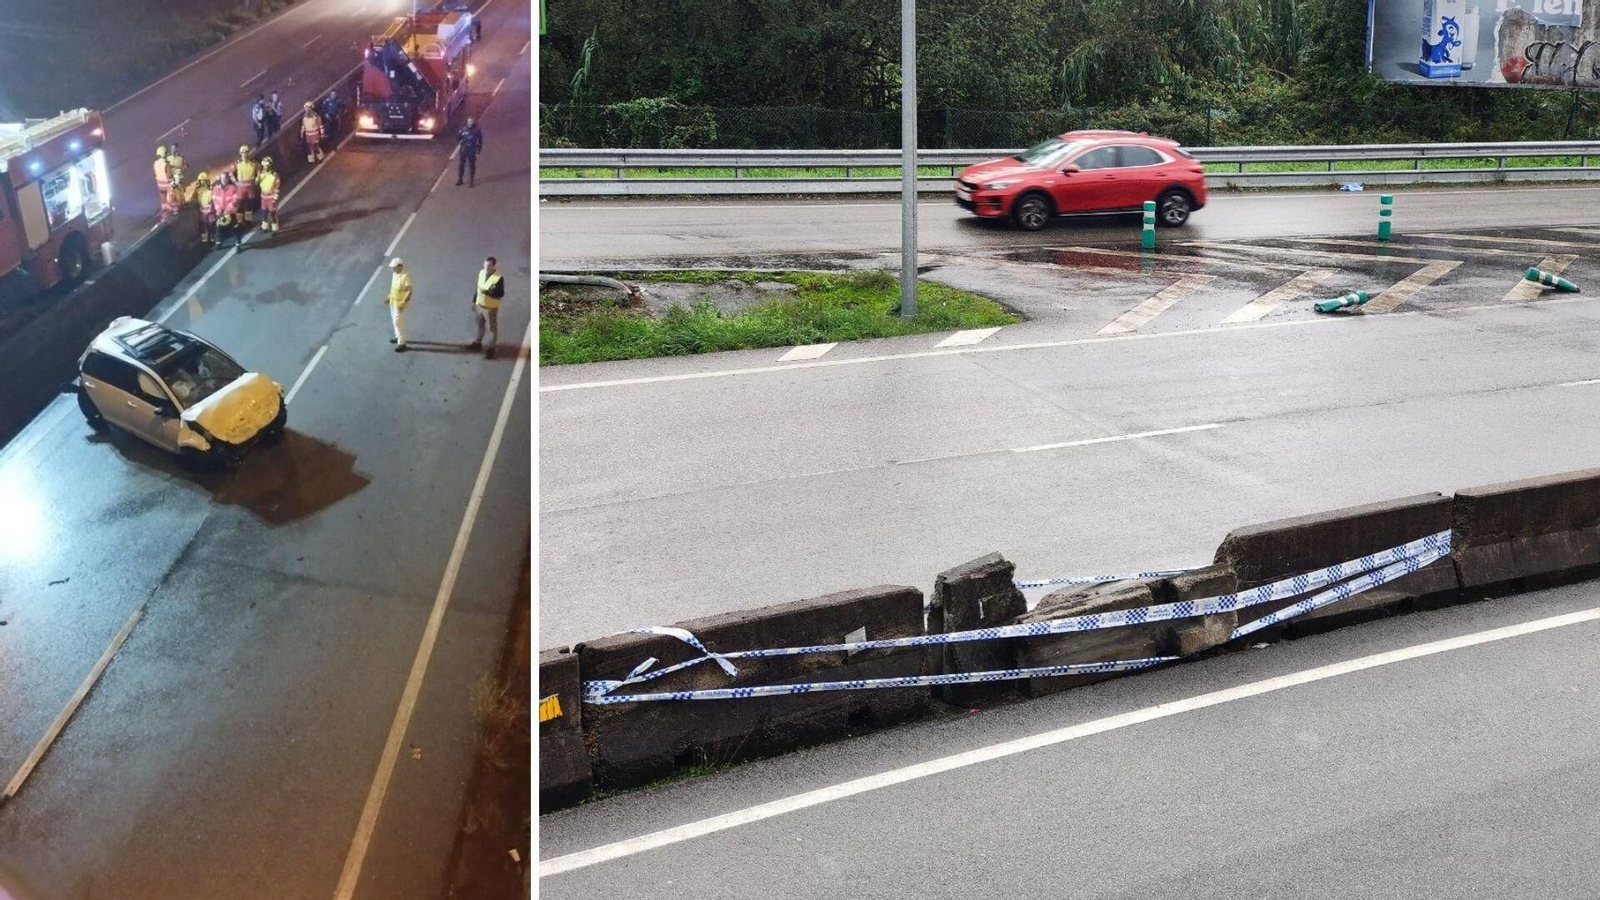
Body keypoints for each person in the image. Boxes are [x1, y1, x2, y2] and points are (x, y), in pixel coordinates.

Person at [468, 256, 504, 359]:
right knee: (480, 325)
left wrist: (489, 292)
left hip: (490, 308)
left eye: (488, 266)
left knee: (492, 329)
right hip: (479, 305)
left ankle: (491, 349)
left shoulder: (498, 278)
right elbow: (478, 288)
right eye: (485, 265)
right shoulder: (481, 273)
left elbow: (500, 293)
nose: (486, 267)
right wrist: (474, 302)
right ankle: (477, 343)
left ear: (494, 266)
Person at [386, 258, 413, 352]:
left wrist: (403, 302)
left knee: (398, 322)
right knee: (394, 320)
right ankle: (398, 337)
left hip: (399, 304)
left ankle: (402, 343)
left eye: (394, 267)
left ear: (400, 266)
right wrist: (389, 296)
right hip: (393, 301)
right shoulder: (395, 274)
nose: (392, 269)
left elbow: (409, 291)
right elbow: (393, 287)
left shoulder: (405, 277)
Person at [214, 172, 241, 248]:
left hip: (231, 212)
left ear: (228, 179)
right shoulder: (216, 189)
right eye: (222, 178)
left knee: (235, 228)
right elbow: (215, 200)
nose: (224, 180)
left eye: (225, 178)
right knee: (219, 228)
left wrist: (228, 209)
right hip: (221, 212)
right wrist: (218, 210)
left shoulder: (233, 188)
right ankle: (218, 243)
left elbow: (235, 200)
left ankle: (238, 244)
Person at [234, 146, 259, 228]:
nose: (244, 154)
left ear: (248, 152)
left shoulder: (254, 163)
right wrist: (235, 182)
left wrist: (257, 179)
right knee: (240, 206)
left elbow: (259, 171)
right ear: (240, 153)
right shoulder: (237, 163)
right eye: (242, 152)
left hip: (250, 188)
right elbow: (231, 173)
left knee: (249, 206)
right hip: (241, 189)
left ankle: (248, 221)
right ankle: (240, 222)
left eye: (246, 152)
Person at [455, 116, 483, 186]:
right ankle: (460, 180)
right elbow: (458, 138)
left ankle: (471, 181)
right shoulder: (464, 129)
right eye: (468, 121)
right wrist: (459, 134)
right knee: (461, 165)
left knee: (471, 166)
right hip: (463, 150)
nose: (469, 123)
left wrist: (478, 150)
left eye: (471, 121)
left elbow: (480, 141)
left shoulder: (477, 130)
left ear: (473, 122)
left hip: (472, 150)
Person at [257, 157, 281, 233]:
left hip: (271, 197)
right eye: (264, 165)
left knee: (272, 213)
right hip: (263, 196)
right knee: (264, 212)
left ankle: (275, 228)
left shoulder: (274, 175)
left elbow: (277, 187)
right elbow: (257, 182)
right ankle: (265, 227)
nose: (265, 167)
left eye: (267, 166)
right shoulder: (261, 173)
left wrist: (274, 198)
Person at [193, 171, 216, 244]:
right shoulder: (197, 190)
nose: (202, 182)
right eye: (201, 181)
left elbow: (215, 198)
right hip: (202, 211)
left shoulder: (211, 189)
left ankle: (213, 239)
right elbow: (193, 197)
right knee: (203, 226)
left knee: (211, 225)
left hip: (211, 211)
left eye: (204, 180)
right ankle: (204, 241)